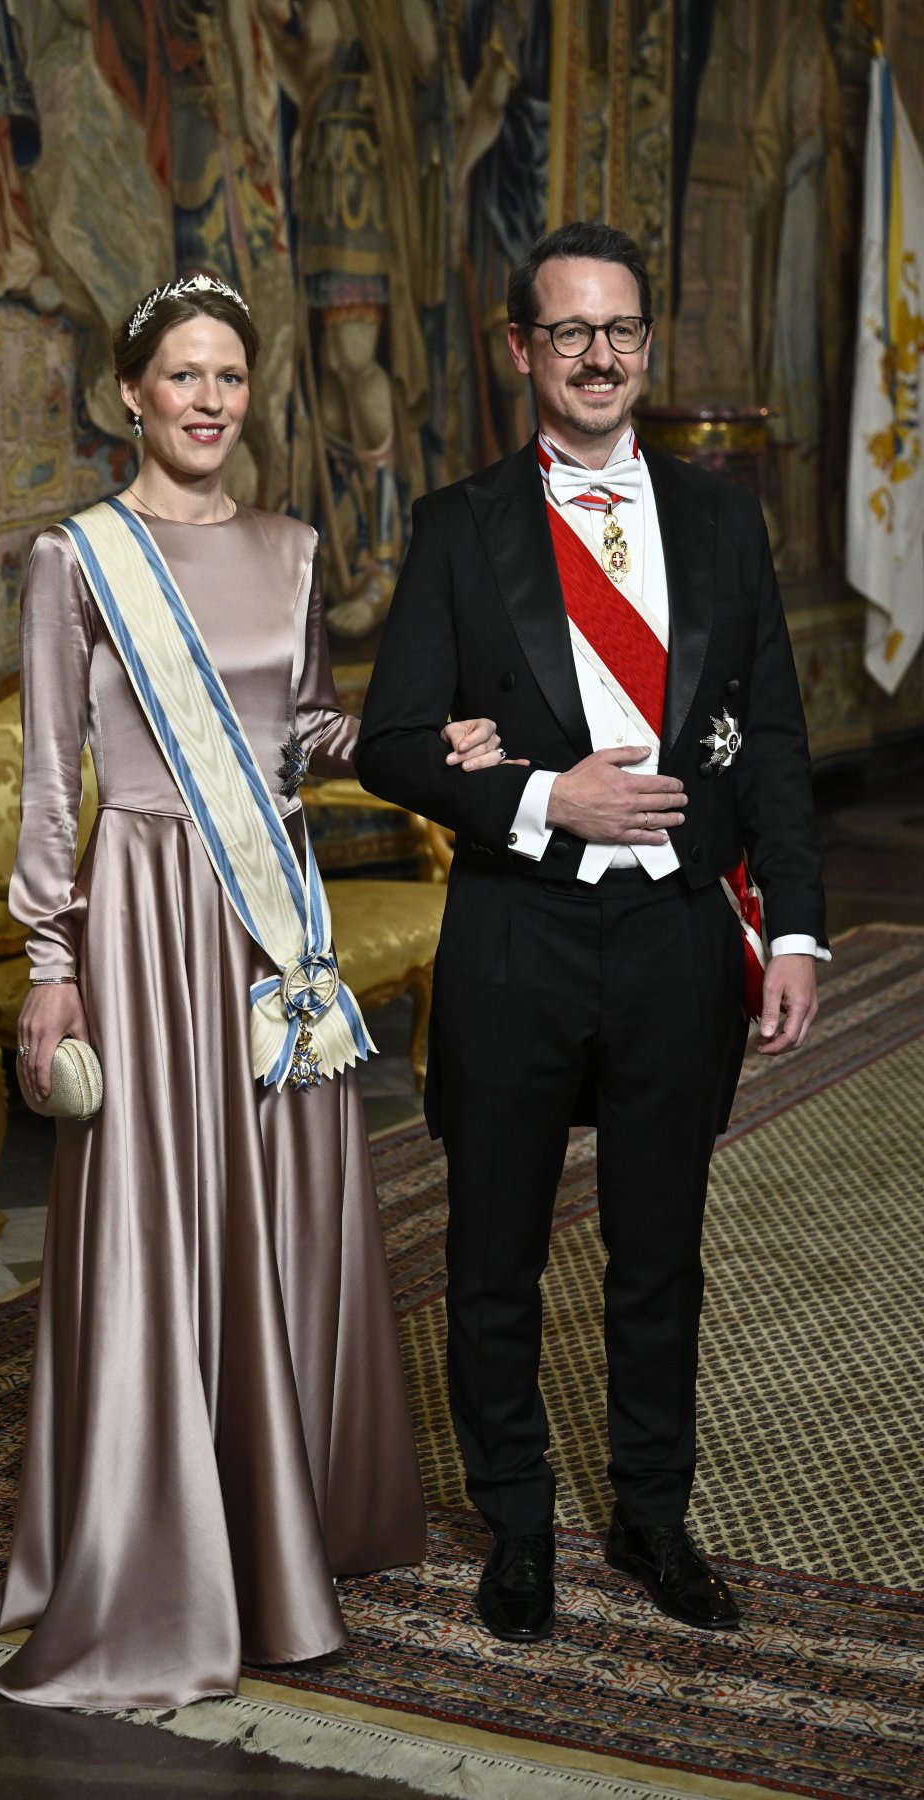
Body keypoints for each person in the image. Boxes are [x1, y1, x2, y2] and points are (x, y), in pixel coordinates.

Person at [0, 273, 504, 1709]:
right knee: (156, 1216)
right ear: (130, 393)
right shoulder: (77, 557)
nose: (209, 400)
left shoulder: (293, 547)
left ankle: (280, 1528)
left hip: (268, 931)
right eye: (183, 376)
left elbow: (303, 724)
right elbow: (52, 782)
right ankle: (155, 1559)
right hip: (137, 923)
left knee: (277, 1207)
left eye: (231, 378)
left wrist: (419, 737)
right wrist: (50, 966)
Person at [355, 221, 828, 1644]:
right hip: (518, 933)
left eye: (621, 329)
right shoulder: (458, 527)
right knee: (495, 1254)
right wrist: (537, 790)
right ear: (522, 350)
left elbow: (784, 741)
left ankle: (652, 1516)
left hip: (683, 936)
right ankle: (516, 1523)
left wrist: (795, 930)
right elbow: (388, 742)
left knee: (658, 1252)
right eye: (569, 331)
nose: (601, 355)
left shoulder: (724, 519)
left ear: (646, 343)